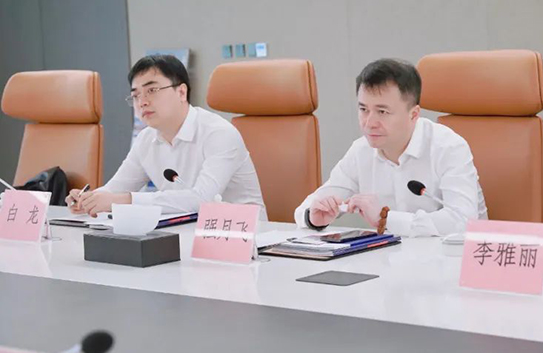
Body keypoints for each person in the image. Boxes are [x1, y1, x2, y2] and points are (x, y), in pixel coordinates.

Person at [294, 58, 487, 237]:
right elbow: (308, 207)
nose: (369, 123)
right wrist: (313, 218)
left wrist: (386, 219)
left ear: (413, 114)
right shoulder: (361, 151)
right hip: (390, 258)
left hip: (453, 258)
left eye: (382, 111)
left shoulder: (448, 147)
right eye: (363, 109)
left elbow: (463, 221)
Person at [68, 54, 266, 218]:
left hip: (244, 237)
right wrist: (89, 199)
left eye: (152, 90)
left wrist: (124, 200)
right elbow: (116, 189)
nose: (142, 102)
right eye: (136, 95)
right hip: (185, 232)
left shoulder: (219, 133)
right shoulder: (146, 139)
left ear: (181, 92)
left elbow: (201, 200)